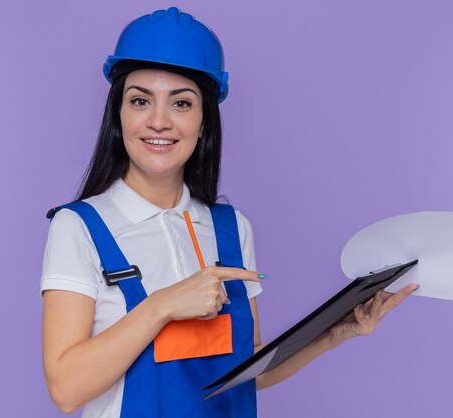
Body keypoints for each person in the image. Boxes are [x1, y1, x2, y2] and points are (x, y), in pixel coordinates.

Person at [40, 7, 417, 418]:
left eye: (181, 103)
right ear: (119, 113)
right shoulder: (78, 227)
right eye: (140, 100)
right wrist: (163, 304)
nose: (159, 121)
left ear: (204, 122)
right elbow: (66, 389)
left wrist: (334, 334)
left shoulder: (230, 228)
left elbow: (246, 370)